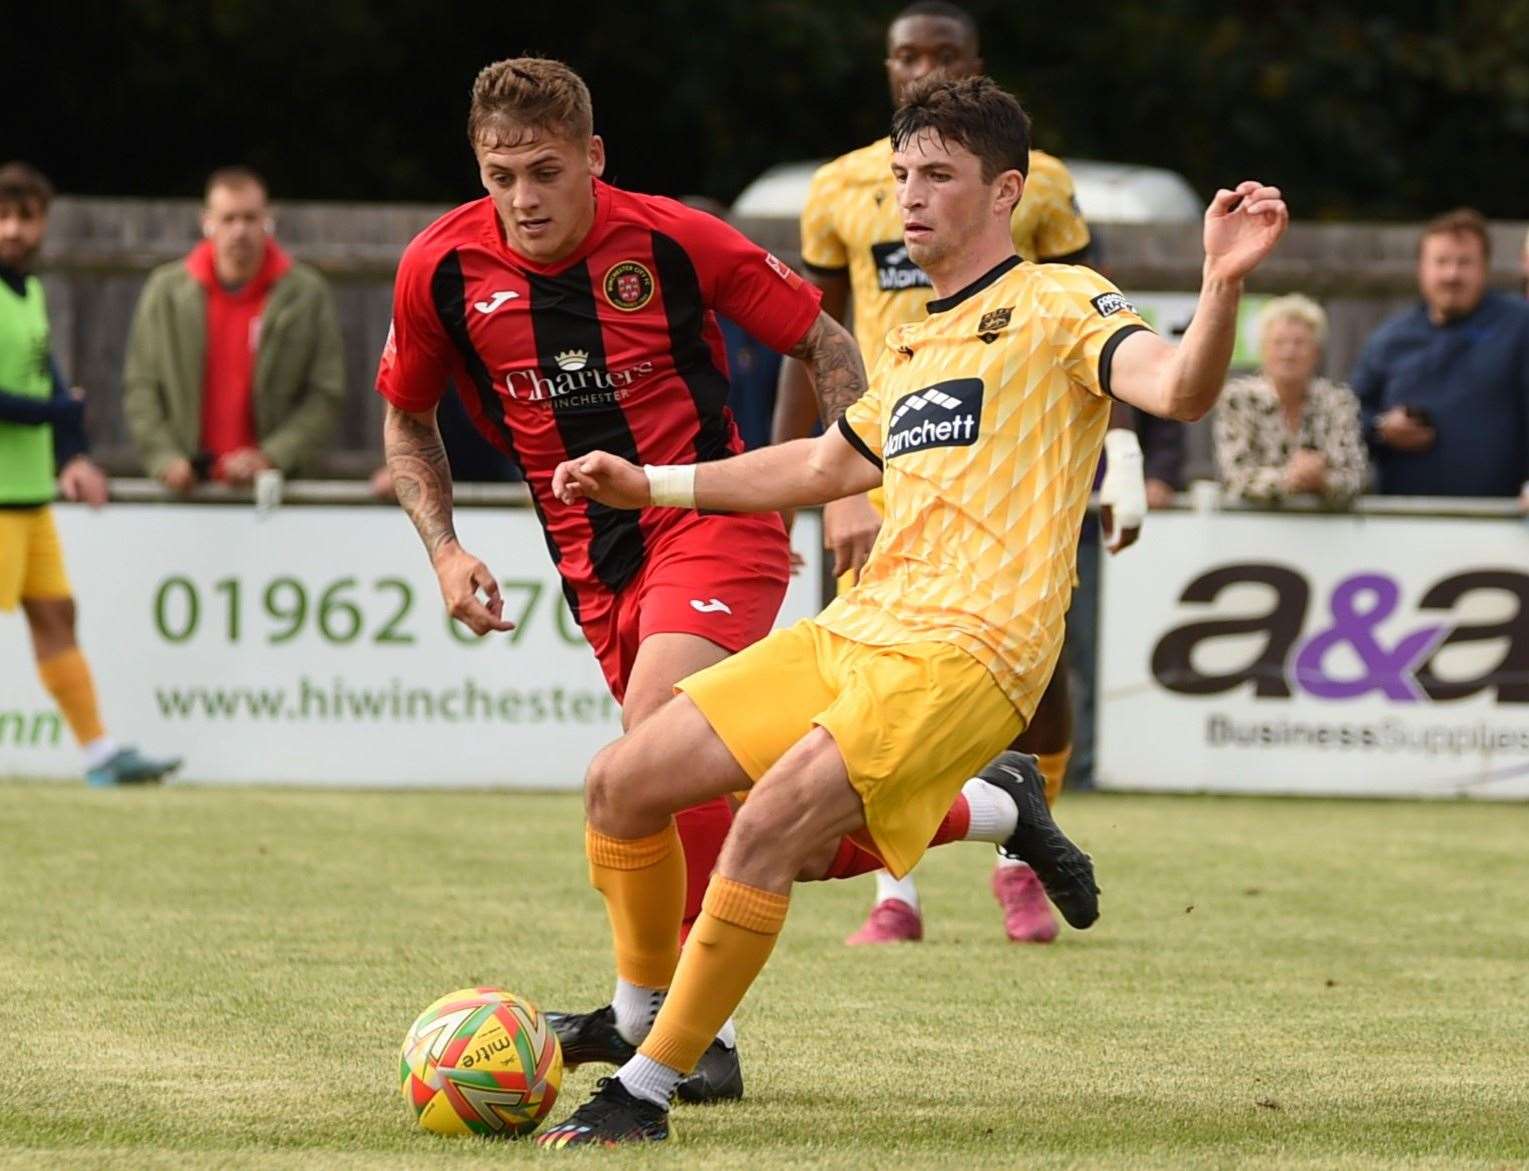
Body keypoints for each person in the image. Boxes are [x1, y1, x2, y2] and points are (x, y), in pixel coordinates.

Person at [535, 76, 1288, 1146]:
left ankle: (645, 1092)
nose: (907, 197)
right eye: (899, 175)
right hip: (863, 626)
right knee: (622, 782)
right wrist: (648, 483)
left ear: (1004, 192)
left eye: (936, 175)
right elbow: (815, 463)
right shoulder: (917, 343)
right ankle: (639, 1019)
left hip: (971, 650)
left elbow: (1176, 387)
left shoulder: (1062, 300)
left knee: (763, 828)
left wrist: (1216, 287)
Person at [374, 57, 871, 1104]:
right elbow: (407, 414)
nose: (522, 198)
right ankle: (976, 803)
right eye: (499, 174)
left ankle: (673, 1029)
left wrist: (850, 480)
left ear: (593, 158)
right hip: (590, 571)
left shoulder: (675, 239)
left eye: (545, 171)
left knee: (645, 757)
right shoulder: (438, 270)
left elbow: (825, 341)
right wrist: (445, 548)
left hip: (711, 525)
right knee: (708, 795)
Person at [773, 0, 1148, 946]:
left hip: (1008, 458)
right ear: (885, 66)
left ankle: (1019, 850)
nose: (921, 67)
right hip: (879, 453)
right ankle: (892, 896)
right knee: (855, 682)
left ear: (975, 63)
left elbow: (1097, 325)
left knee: (1037, 668)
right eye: (905, 54)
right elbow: (810, 342)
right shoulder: (838, 189)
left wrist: (1126, 453)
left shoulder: (1043, 186)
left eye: (942, 54)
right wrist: (822, 491)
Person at [0, 162, 181, 786]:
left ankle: (100, 756)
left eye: (26, 217)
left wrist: (71, 454)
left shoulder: (29, 293)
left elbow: (45, 379)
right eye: (3, 216)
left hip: (28, 495)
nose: (13, 230)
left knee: (56, 618)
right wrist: (57, 411)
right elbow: (40, 399)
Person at [122, 167, 345, 492]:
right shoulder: (166, 292)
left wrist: (271, 456)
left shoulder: (306, 294)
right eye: (228, 219)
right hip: (188, 491)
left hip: (274, 492)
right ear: (207, 221)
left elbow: (325, 393)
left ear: (268, 219)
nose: (240, 230)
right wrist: (165, 459)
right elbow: (140, 387)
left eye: (250, 218)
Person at [1351, 208, 1529, 510]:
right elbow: (1350, 413)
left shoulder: (1519, 326)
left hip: (1504, 521)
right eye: (1441, 262)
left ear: (1484, 268)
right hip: (1406, 520)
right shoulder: (1390, 339)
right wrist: (1382, 428)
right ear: (1422, 268)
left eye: (1464, 263)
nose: (1452, 275)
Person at [1214, 294, 1367, 506]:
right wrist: (1288, 478)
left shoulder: (1337, 401)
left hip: (1325, 530)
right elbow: (1234, 476)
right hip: (1254, 528)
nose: (1289, 353)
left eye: (1299, 343)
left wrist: (1322, 480)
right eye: (1279, 343)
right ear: (1263, 350)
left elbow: (1355, 477)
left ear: (1316, 352)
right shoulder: (1238, 399)